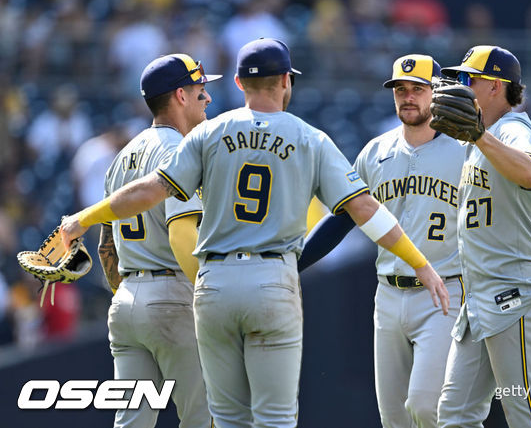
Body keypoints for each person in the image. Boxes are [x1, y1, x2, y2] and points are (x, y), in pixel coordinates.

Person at [59, 38, 449, 428]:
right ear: (285, 81)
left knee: (222, 419)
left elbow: (147, 192)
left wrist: (83, 218)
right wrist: (421, 264)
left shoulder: (207, 135)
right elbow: (363, 210)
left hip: (208, 283)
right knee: (270, 418)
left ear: (239, 82)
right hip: (269, 277)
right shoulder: (309, 137)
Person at [299, 54, 465, 427]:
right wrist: (294, 266)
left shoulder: (464, 152)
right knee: (393, 419)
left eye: (419, 89)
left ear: (437, 93)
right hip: (388, 295)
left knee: (425, 405)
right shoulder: (374, 152)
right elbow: (341, 219)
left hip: (445, 291)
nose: (408, 97)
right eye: (400, 89)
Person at [433, 45, 531, 428]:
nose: (461, 86)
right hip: (483, 300)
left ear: (496, 86)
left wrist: (480, 135)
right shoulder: (480, 139)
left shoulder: (511, 129)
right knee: (455, 416)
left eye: (469, 79)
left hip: (516, 295)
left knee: (527, 418)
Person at [98, 54, 221, 428]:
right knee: (206, 419)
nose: (207, 99)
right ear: (180, 96)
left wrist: (129, 297)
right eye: (201, 91)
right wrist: (213, 299)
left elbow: (107, 247)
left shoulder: (122, 157)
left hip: (127, 300)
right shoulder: (179, 151)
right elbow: (183, 231)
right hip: (174, 293)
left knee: (133, 422)